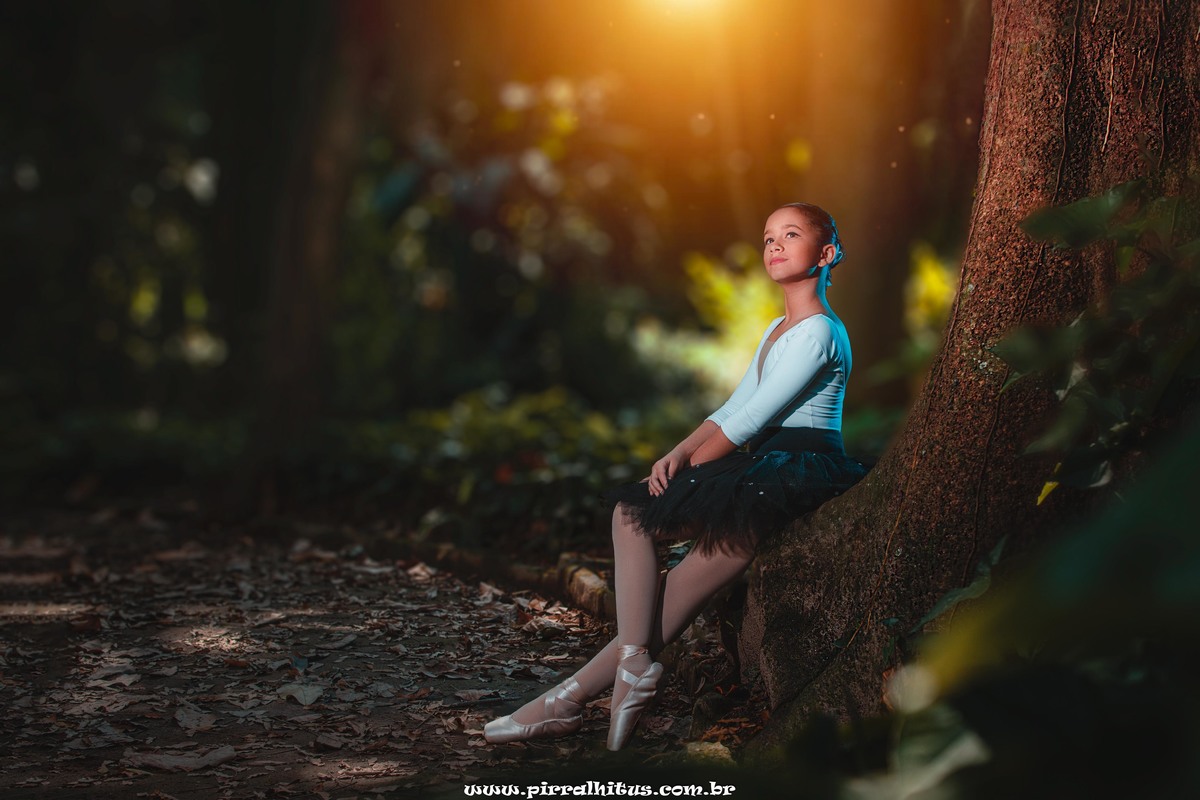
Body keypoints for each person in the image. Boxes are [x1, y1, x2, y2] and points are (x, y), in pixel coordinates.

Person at [483, 203, 867, 751]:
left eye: (791, 235)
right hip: (763, 467)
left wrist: (698, 469)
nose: (774, 245)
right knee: (656, 610)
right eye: (767, 237)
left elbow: (754, 422)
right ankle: (571, 697)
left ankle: (580, 693)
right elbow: (736, 405)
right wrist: (678, 452)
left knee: (632, 514)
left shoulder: (819, 333)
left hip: (794, 472)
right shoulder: (778, 328)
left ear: (826, 255)